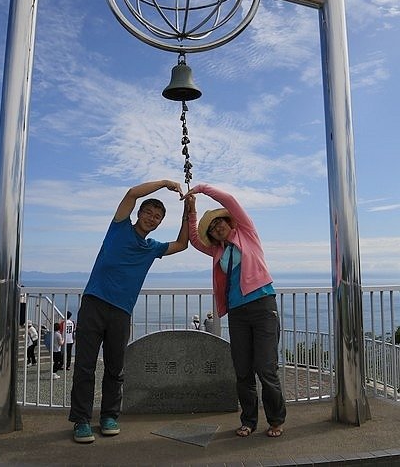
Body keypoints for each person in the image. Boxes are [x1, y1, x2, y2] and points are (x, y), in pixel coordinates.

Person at [69, 179, 190, 444]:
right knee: (85, 367)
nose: (152, 218)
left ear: (159, 223)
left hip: (122, 312)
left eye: (157, 217)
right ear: (138, 213)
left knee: (115, 368)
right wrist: (165, 184)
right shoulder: (119, 227)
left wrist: (187, 213)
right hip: (94, 303)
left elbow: (182, 244)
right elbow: (132, 193)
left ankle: (109, 417)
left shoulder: (152, 248)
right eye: (149, 213)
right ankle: (81, 421)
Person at [183, 182, 286, 438]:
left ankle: (275, 420)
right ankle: (249, 421)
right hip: (238, 313)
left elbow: (229, 200)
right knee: (242, 370)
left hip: (262, 306)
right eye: (213, 227)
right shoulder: (217, 251)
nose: (217, 227)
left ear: (229, 222)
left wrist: (201, 189)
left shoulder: (247, 233)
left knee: (266, 368)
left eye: (220, 222)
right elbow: (194, 238)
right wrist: (191, 210)